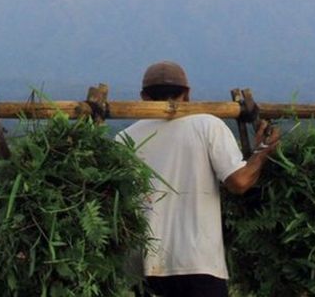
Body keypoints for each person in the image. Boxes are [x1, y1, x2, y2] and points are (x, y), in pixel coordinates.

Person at [117, 61, 281, 297]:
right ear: (187, 94)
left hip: (145, 264)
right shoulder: (208, 125)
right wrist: (263, 151)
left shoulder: (125, 138)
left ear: (143, 96)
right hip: (198, 262)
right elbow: (239, 182)